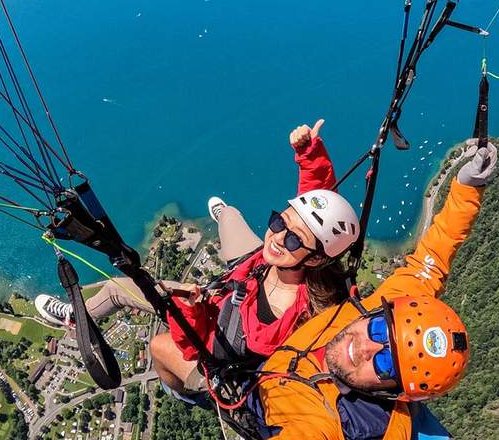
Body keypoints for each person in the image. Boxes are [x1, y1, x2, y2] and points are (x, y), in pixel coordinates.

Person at [130, 140, 499, 440]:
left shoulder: (329, 425)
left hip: (251, 397)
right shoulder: (393, 309)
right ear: (384, 313)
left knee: (160, 349)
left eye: (383, 367)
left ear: (394, 393)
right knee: (228, 230)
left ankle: (193, 395)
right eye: (379, 332)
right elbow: (433, 259)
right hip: (270, 351)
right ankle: (224, 214)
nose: (364, 348)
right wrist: (467, 187)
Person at [34, 120, 358, 399]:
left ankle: (77, 318)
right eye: (278, 221)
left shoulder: (294, 320)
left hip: (219, 352)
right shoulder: (294, 256)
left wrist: (191, 308)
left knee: (131, 306)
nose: (277, 236)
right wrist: (309, 152)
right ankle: (224, 219)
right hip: (241, 279)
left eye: (292, 238)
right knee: (230, 215)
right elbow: (318, 211)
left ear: (315, 260)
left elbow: (208, 345)